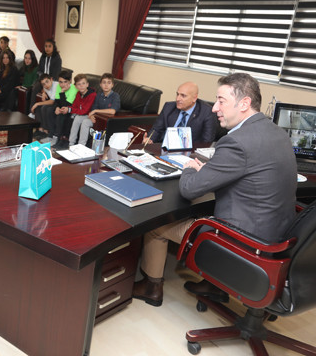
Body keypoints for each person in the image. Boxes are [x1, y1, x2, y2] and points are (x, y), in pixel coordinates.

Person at [132, 72, 297, 307]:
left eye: (221, 101)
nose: (214, 108)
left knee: (155, 226)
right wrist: (210, 171)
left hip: (245, 242)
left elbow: (189, 189)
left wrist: (190, 168)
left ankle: (151, 287)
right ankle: (215, 285)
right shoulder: (277, 132)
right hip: (278, 236)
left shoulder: (236, 141)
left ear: (244, 103)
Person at [144, 82, 215, 145]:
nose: (178, 99)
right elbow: (156, 129)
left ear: (194, 98)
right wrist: (149, 139)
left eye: (183, 96)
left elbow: (206, 142)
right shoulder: (168, 107)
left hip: (190, 151)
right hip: (164, 148)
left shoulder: (207, 112)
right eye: (177, 94)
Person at [70, 73, 120, 146]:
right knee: (78, 118)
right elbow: (93, 108)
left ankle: (81, 146)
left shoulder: (115, 96)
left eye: (109, 83)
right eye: (104, 82)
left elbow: (112, 111)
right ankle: (71, 144)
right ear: (100, 84)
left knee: (85, 122)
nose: (106, 85)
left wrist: (95, 111)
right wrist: (91, 115)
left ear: (112, 85)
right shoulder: (98, 95)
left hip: (107, 121)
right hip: (96, 118)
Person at [54, 74, 96, 150]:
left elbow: (84, 111)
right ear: (76, 86)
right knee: (75, 118)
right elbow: (74, 106)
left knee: (77, 118)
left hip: (89, 115)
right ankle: (71, 144)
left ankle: (81, 146)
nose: (81, 86)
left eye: (83, 83)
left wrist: (69, 110)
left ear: (87, 84)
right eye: (79, 84)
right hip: (82, 114)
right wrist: (67, 108)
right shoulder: (78, 94)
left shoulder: (92, 95)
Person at [39, 70, 77, 146]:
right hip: (62, 107)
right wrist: (56, 107)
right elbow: (57, 101)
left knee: (60, 115)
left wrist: (62, 92)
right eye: (60, 82)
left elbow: (67, 104)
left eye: (65, 82)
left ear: (70, 81)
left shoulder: (73, 89)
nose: (62, 84)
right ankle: (50, 135)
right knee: (49, 110)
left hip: (70, 110)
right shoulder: (59, 87)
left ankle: (56, 137)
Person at [28, 38, 62, 113]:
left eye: (49, 46)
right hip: (42, 80)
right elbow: (39, 70)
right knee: (34, 88)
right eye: (46, 46)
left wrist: (44, 89)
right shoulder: (43, 56)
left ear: (53, 47)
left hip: (51, 81)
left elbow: (56, 75)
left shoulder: (57, 58)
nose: (47, 48)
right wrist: (42, 83)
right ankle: (31, 111)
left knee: (46, 88)